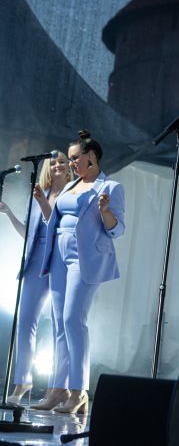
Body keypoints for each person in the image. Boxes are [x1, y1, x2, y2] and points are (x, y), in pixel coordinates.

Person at [32, 130, 125, 414]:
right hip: (59, 256)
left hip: (84, 259)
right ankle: (57, 389)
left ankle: (79, 391)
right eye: (70, 159)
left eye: (75, 158)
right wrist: (42, 202)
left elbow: (117, 229)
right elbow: (58, 219)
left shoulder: (110, 187)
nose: (71, 163)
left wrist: (106, 211)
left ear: (91, 156)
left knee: (74, 319)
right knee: (59, 321)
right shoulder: (72, 186)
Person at [0, 152, 73, 405]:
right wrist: (9, 213)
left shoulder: (72, 194)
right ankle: (22, 382)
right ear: (45, 168)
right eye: (52, 162)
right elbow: (29, 235)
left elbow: (57, 227)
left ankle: (57, 388)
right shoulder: (38, 194)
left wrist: (44, 204)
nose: (57, 165)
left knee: (59, 326)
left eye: (62, 161)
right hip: (34, 263)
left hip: (58, 261)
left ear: (69, 167)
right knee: (25, 322)